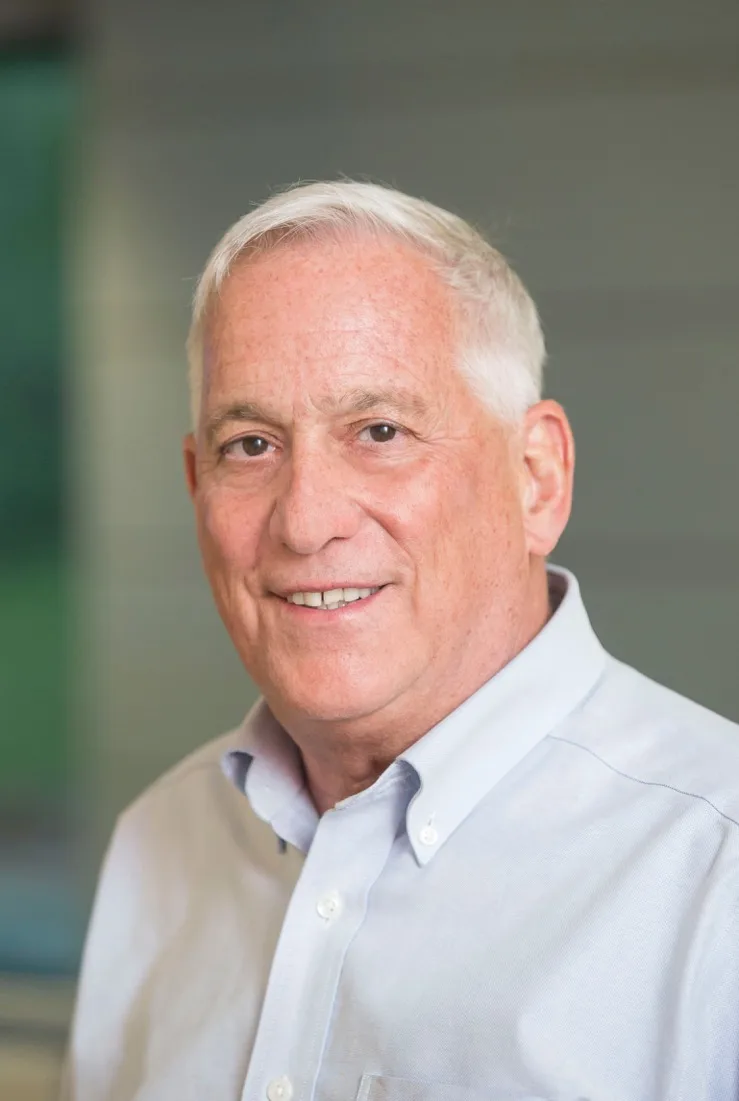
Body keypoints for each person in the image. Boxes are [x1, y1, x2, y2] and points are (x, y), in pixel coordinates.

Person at [63, 181, 739, 1101]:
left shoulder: (713, 873)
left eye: (379, 430)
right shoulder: (159, 845)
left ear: (535, 479)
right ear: (195, 486)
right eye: (251, 445)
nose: (305, 522)